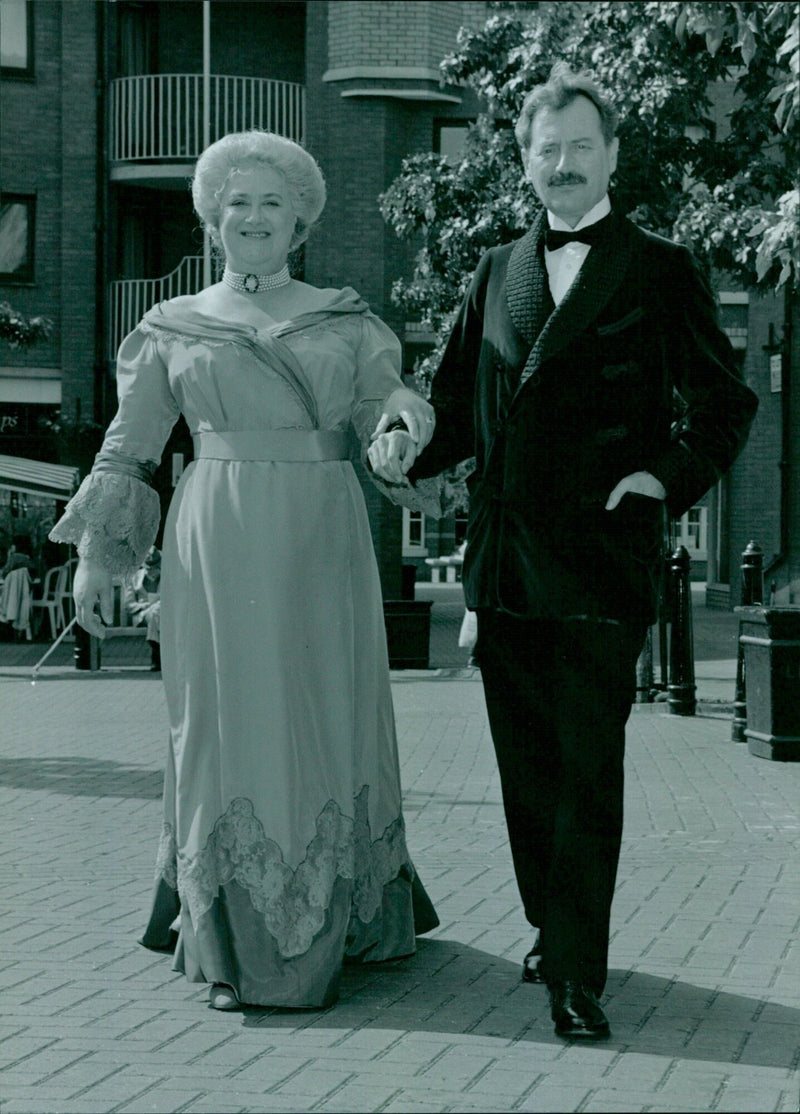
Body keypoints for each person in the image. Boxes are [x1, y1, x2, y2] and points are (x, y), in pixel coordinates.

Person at [398, 64, 758, 1039]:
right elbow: (452, 414)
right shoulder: (490, 271)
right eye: (543, 150)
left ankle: (574, 968)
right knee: (526, 772)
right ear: (523, 160)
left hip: (601, 561)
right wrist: (402, 454)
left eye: (578, 148)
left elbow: (726, 404)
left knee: (586, 768)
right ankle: (547, 925)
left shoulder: (658, 266)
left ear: (610, 154)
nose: (560, 165)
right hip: (503, 560)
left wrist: (662, 479)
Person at [50, 129, 439, 1011]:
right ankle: (233, 934)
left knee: (328, 709)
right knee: (224, 720)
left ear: (300, 218)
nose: (255, 216)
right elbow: (131, 448)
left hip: (325, 531)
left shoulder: (347, 319)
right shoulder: (170, 329)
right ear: (212, 220)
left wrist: (399, 429)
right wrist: (98, 560)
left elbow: (394, 402)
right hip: (216, 537)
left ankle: (349, 909)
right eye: (238, 202)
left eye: (273, 202)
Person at [124, 545, 161, 670]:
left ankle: (156, 655)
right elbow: (128, 605)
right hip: (142, 615)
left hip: (162, 613)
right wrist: (145, 605)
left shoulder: (166, 577)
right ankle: (158, 655)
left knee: (156, 612)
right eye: (150, 568)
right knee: (154, 613)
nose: (153, 571)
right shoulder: (135, 577)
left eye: (156, 567)